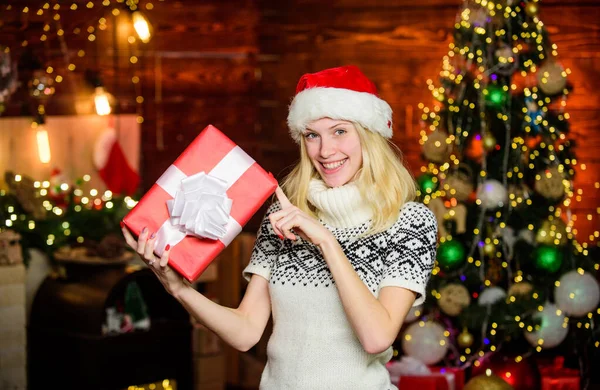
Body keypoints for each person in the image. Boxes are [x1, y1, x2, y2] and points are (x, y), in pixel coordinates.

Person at [121, 65, 438, 389]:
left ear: (368, 135)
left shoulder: (408, 221)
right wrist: (179, 290)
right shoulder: (284, 217)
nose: (325, 151)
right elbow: (246, 332)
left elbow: (377, 337)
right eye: (312, 135)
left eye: (339, 131)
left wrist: (327, 242)